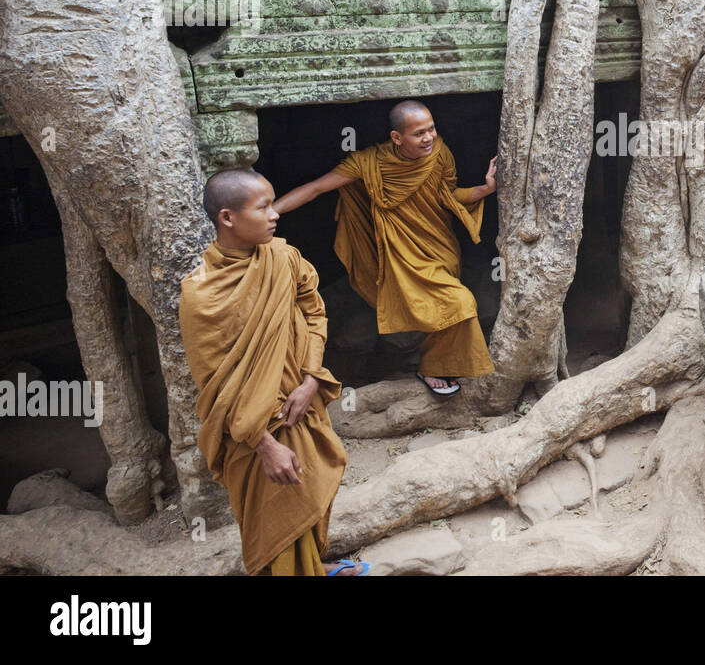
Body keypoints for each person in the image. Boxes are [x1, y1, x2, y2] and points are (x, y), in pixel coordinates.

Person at [180, 169, 362, 576]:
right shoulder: (201, 293)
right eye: (262, 207)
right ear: (227, 218)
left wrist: (312, 378)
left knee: (312, 489)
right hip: (254, 429)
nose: (274, 214)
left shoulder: (284, 257)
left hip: (300, 400)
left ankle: (313, 568)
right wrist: (264, 444)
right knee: (274, 514)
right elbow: (215, 387)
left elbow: (314, 312)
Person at [273, 100, 497, 398]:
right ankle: (431, 368)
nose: (429, 137)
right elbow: (317, 188)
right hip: (400, 256)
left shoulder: (439, 152)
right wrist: (271, 211)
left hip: (439, 247)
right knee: (460, 303)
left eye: (431, 129)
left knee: (445, 307)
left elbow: (448, 195)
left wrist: (484, 190)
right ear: (396, 138)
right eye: (419, 133)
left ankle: (433, 364)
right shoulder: (367, 163)